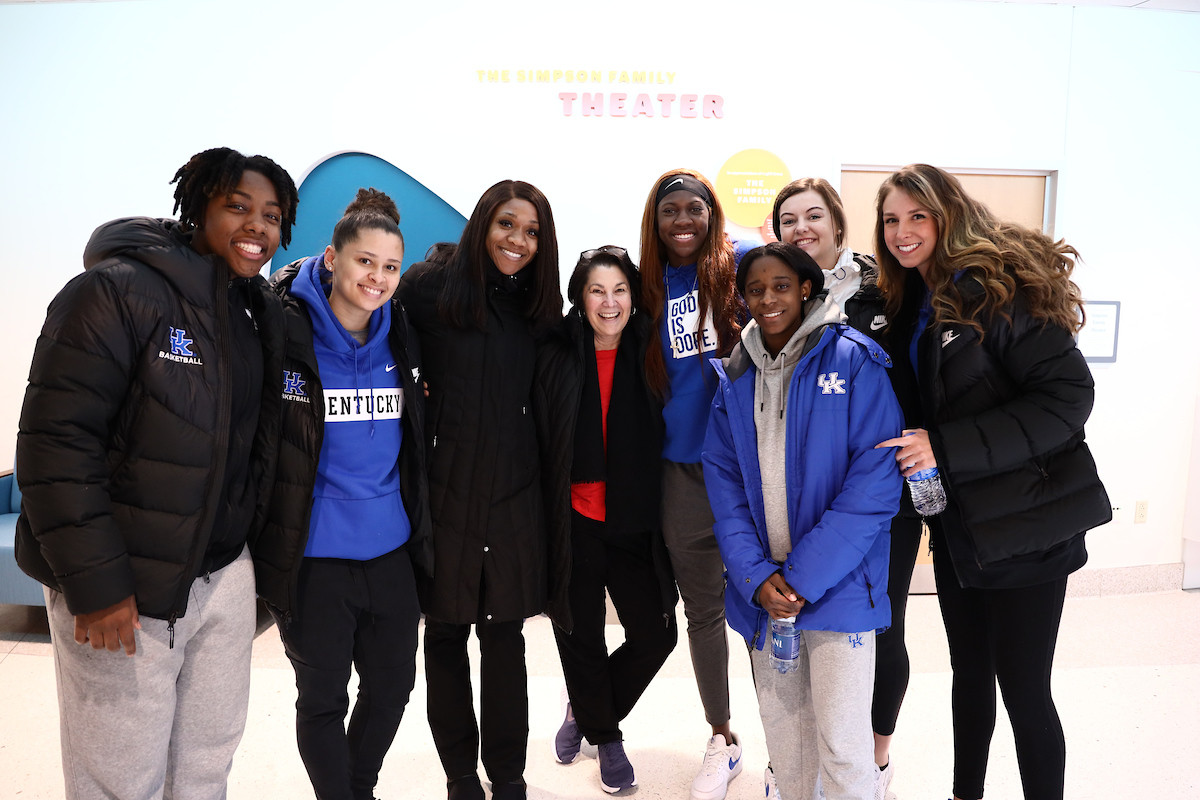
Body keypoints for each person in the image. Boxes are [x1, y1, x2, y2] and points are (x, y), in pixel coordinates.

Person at [14, 147, 297, 799]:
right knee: (118, 777)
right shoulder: (114, 292)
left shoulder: (257, 315)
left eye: (273, 215)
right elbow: (57, 445)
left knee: (204, 765)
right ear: (198, 207)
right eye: (238, 207)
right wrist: (97, 584)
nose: (258, 226)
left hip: (223, 577)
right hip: (128, 588)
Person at [872, 164, 1110, 800]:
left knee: (1025, 690)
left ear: (948, 213)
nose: (902, 231)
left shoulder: (994, 291)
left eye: (917, 216)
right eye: (891, 220)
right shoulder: (909, 304)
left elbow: (1067, 397)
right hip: (960, 530)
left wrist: (942, 447)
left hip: (1028, 526)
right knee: (969, 679)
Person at [703, 241, 903, 800]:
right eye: (756, 289)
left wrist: (802, 577)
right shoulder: (734, 376)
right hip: (765, 598)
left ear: (807, 288)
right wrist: (757, 576)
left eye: (781, 286)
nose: (769, 299)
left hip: (838, 590)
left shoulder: (854, 361)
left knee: (843, 747)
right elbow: (723, 487)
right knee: (789, 753)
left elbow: (876, 484)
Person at [253, 189, 431, 800]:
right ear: (332, 258)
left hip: (390, 552)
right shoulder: (285, 331)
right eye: (364, 262)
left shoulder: (401, 335)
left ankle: (357, 789)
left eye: (389, 267)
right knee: (323, 697)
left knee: (392, 689)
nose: (376, 278)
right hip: (314, 556)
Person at [397, 180, 563, 800]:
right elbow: (382, 346)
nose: (517, 241)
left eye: (531, 231)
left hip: (515, 496)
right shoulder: (429, 288)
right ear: (481, 225)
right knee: (443, 635)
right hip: (445, 495)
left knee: (505, 640)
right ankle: (461, 779)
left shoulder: (539, 308)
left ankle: (509, 780)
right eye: (506, 225)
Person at [772, 177, 924, 795]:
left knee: (879, 626)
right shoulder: (774, 298)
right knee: (804, 630)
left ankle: (875, 757)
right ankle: (801, 762)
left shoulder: (885, 293)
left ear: (837, 224)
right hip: (797, 499)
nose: (801, 228)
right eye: (788, 220)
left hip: (877, 496)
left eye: (814, 216)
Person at [533, 246, 678, 794]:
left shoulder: (650, 348)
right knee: (581, 635)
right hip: (571, 517)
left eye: (619, 290)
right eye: (597, 290)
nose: (610, 302)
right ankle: (609, 738)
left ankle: (585, 711)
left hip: (633, 515)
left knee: (655, 634)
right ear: (581, 296)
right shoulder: (555, 348)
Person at [637, 169, 746, 800]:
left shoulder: (746, 266)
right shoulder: (648, 286)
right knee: (703, 611)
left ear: (713, 213)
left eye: (695, 209)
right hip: (681, 473)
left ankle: (793, 742)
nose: (683, 220)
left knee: (769, 606)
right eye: (670, 210)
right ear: (655, 219)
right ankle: (723, 739)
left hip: (752, 470)